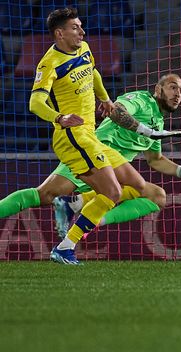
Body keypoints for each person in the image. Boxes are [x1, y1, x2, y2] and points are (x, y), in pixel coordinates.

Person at [22, 7, 146, 265]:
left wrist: (105, 98)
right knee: (112, 192)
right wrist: (59, 117)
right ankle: (65, 246)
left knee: (136, 185)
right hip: (73, 136)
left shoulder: (84, 48)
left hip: (90, 133)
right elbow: (35, 102)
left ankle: (71, 207)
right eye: (75, 28)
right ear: (60, 33)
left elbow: (93, 72)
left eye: (81, 26)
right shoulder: (50, 63)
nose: (82, 31)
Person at [50, 73, 181, 238]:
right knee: (42, 194)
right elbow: (117, 109)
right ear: (158, 89)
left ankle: (89, 219)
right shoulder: (141, 100)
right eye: (173, 87)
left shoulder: (158, 122)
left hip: (113, 168)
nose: (177, 94)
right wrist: (143, 129)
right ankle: (74, 206)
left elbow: (156, 159)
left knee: (157, 196)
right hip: (98, 155)